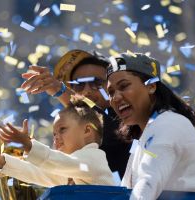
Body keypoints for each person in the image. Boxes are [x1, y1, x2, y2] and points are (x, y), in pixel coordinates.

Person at [106, 52, 195, 199]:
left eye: (124, 86)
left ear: (151, 86)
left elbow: (147, 185)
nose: (116, 97)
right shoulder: (147, 133)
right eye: (111, 92)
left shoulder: (168, 124)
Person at [21, 49, 131, 178]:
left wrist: (59, 90)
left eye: (97, 83)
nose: (87, 91)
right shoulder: (68, 130)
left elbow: (103, 123)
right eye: (78, 85)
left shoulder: (129, 118)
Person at [0, 100, 115, 187]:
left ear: (87, 130)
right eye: (54, 134)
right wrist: (2, 160)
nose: (56, 138)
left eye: (62, 129)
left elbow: (61, 162)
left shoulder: (94, 158)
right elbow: (38, 173)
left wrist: (28, 144)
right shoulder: (71, 169)